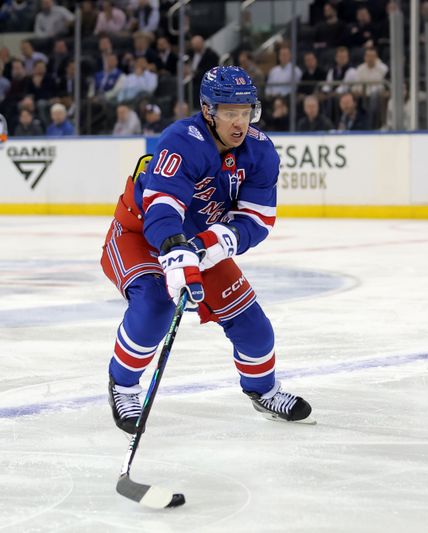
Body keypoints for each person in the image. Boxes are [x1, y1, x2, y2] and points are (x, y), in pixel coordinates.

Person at [101, 66, 314, 435]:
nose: (239, 123)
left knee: (254, 327)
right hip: (140, 232)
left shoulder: (260, 152)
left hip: (199, 242)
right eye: (230, 112)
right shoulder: (182, 140)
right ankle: (123, 385)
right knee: (155, 306)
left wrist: (209, 244)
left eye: (246, 112)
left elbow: (257, 220)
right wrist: (174, 249)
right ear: (207, 109)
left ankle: (263, 390)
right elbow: (162, 208)